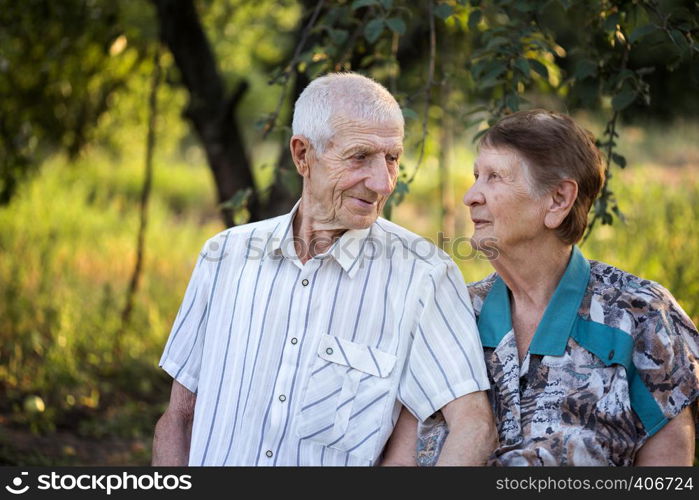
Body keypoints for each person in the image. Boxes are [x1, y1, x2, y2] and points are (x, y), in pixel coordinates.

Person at [151, 72, 495, 466]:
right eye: (360, 157)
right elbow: (179, 417)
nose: (383, 183)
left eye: (392, 158)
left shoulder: (423, 275)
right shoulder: (224, 255)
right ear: (302, 155)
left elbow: (473, 426)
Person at [392, 109, 698, 466]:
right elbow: (402, 462)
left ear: (558, 200)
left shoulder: (640, 316)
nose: (471, 196)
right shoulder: (450, 311)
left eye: (495, 177)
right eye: (477, 176)